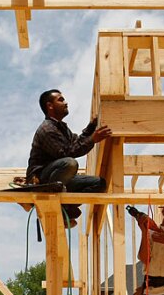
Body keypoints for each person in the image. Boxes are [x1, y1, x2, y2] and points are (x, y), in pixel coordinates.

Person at [27, 89, 112, 227]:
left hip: (59, 178)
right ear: (50, 106)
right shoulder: (47, 129)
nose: (65, 103)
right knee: (70, 164)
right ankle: (53, 201)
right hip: (42, 180)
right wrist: (93, 139)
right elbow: (67, 153)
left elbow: (76, 142)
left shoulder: (61, 128)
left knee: (99, 183)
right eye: (60, 100)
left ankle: (64, 208)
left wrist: (91, 128)